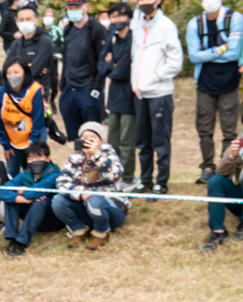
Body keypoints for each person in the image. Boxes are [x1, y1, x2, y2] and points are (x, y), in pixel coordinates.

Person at [131, 0, 182, 201]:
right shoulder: (137, 23)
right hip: (140, 94)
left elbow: (175, 61)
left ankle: (161, 182)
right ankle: (145, 180)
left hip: (159, 93)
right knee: (142, 141)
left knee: (160, 140)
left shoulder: (166, 26)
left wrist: (154, 76)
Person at [187, 0, 242, 185]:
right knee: (204, 128)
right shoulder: (195, 23)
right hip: (205, 83)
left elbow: (234, 53)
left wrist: (208, 53)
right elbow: (194, 56)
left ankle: (225, 169)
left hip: (230, 83)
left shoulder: (235, 18)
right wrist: (221, 48)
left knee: (229, 129)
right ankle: (207, 167)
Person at [52, 121, 128, 249]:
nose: (87, 141)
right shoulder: (75, 158)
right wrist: (81, 194)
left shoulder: (108, 154)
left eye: (92, 138)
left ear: (100, 141)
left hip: (111, 208)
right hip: (85, 206)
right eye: (84, 138)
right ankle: (79, 230)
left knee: (95, 200)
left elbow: (115, 175)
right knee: (57, 201)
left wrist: (97, 155)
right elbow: (61, 182)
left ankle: (101, 233)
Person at [0, 140, 64, 255]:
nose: (34, 162)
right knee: (11, 200)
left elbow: (33, 193)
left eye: (39, 157)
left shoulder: (55, 174)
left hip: (52, 220)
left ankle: (21, 242)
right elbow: (3, 190)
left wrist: (22, 191)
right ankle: (12, 238)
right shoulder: (27, 173)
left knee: (42, 201)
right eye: (31, 159)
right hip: (32, 215)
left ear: (48, 158)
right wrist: (19, 198)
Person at [56, 0, 108, 141]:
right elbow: (66, 57)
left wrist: (96, 88)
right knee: (75, 138)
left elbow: (102, 61)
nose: (73, 10)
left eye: (77, 7)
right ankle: (79, 161)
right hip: (69, 89)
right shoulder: (68, 29)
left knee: (91, 137)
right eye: (70, 7)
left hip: (88, 89)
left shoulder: (96, 29)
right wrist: (63, 85)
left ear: (86, 6)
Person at [99, 3, 138, 190]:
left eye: (121, 16)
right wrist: (109, 66)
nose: (117, 20)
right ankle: (112, 176)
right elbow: (101, 65)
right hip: (113, 98)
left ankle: (128, 177)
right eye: (113, 16)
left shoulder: (133, 39)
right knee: (112, 142)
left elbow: (122, 71)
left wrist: (111, 65)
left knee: (126, 142)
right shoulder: (112, 38)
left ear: (129, 17)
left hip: (129, 97)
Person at [0, 58, 46, 176]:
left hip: (33, 139)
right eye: (9, 73)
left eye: (16, 72)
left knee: (35, 173)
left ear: (25, 72)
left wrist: (33, 146)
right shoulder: (1, 93)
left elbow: (38, 121)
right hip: (12, 142)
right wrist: (5, 145)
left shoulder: (35, 90)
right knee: (11, 174)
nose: (12, 76)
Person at [202, 134, 243, 251]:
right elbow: (220, 172)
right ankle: (218, 232)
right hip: (239, 199)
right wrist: (232, 157)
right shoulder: (238, 144)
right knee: (216, 181)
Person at [5, 2, 55, 94]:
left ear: (36, 21)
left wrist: (16, 71)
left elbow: (33, 72)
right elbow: (5, 70)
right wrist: (25, 68)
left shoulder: (44, 41)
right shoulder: (16, 43)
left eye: (28, 19)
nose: (25, 22)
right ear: (17, 22)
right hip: (16, 94)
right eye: (21, 20)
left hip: (37, 93)